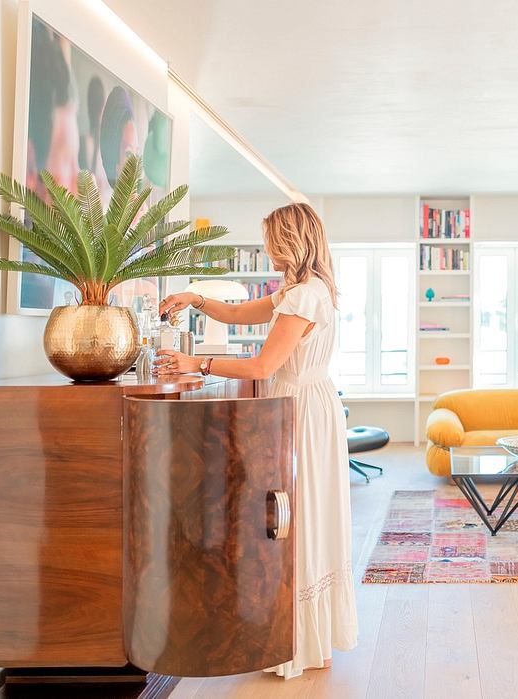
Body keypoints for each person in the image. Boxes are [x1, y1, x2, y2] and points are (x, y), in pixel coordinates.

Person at [155, 202, 358, 679]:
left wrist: (196, 364)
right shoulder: (300, 290)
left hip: (299, 410)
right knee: (306, 514)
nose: (266, 246)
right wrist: (195, 299)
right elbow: (240, 312)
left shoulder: (305, 295)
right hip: (308, 404)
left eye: (271, 237)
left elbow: (262, 367)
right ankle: (313, 640)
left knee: (296, 516)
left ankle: (301, 640)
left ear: (290, 239)